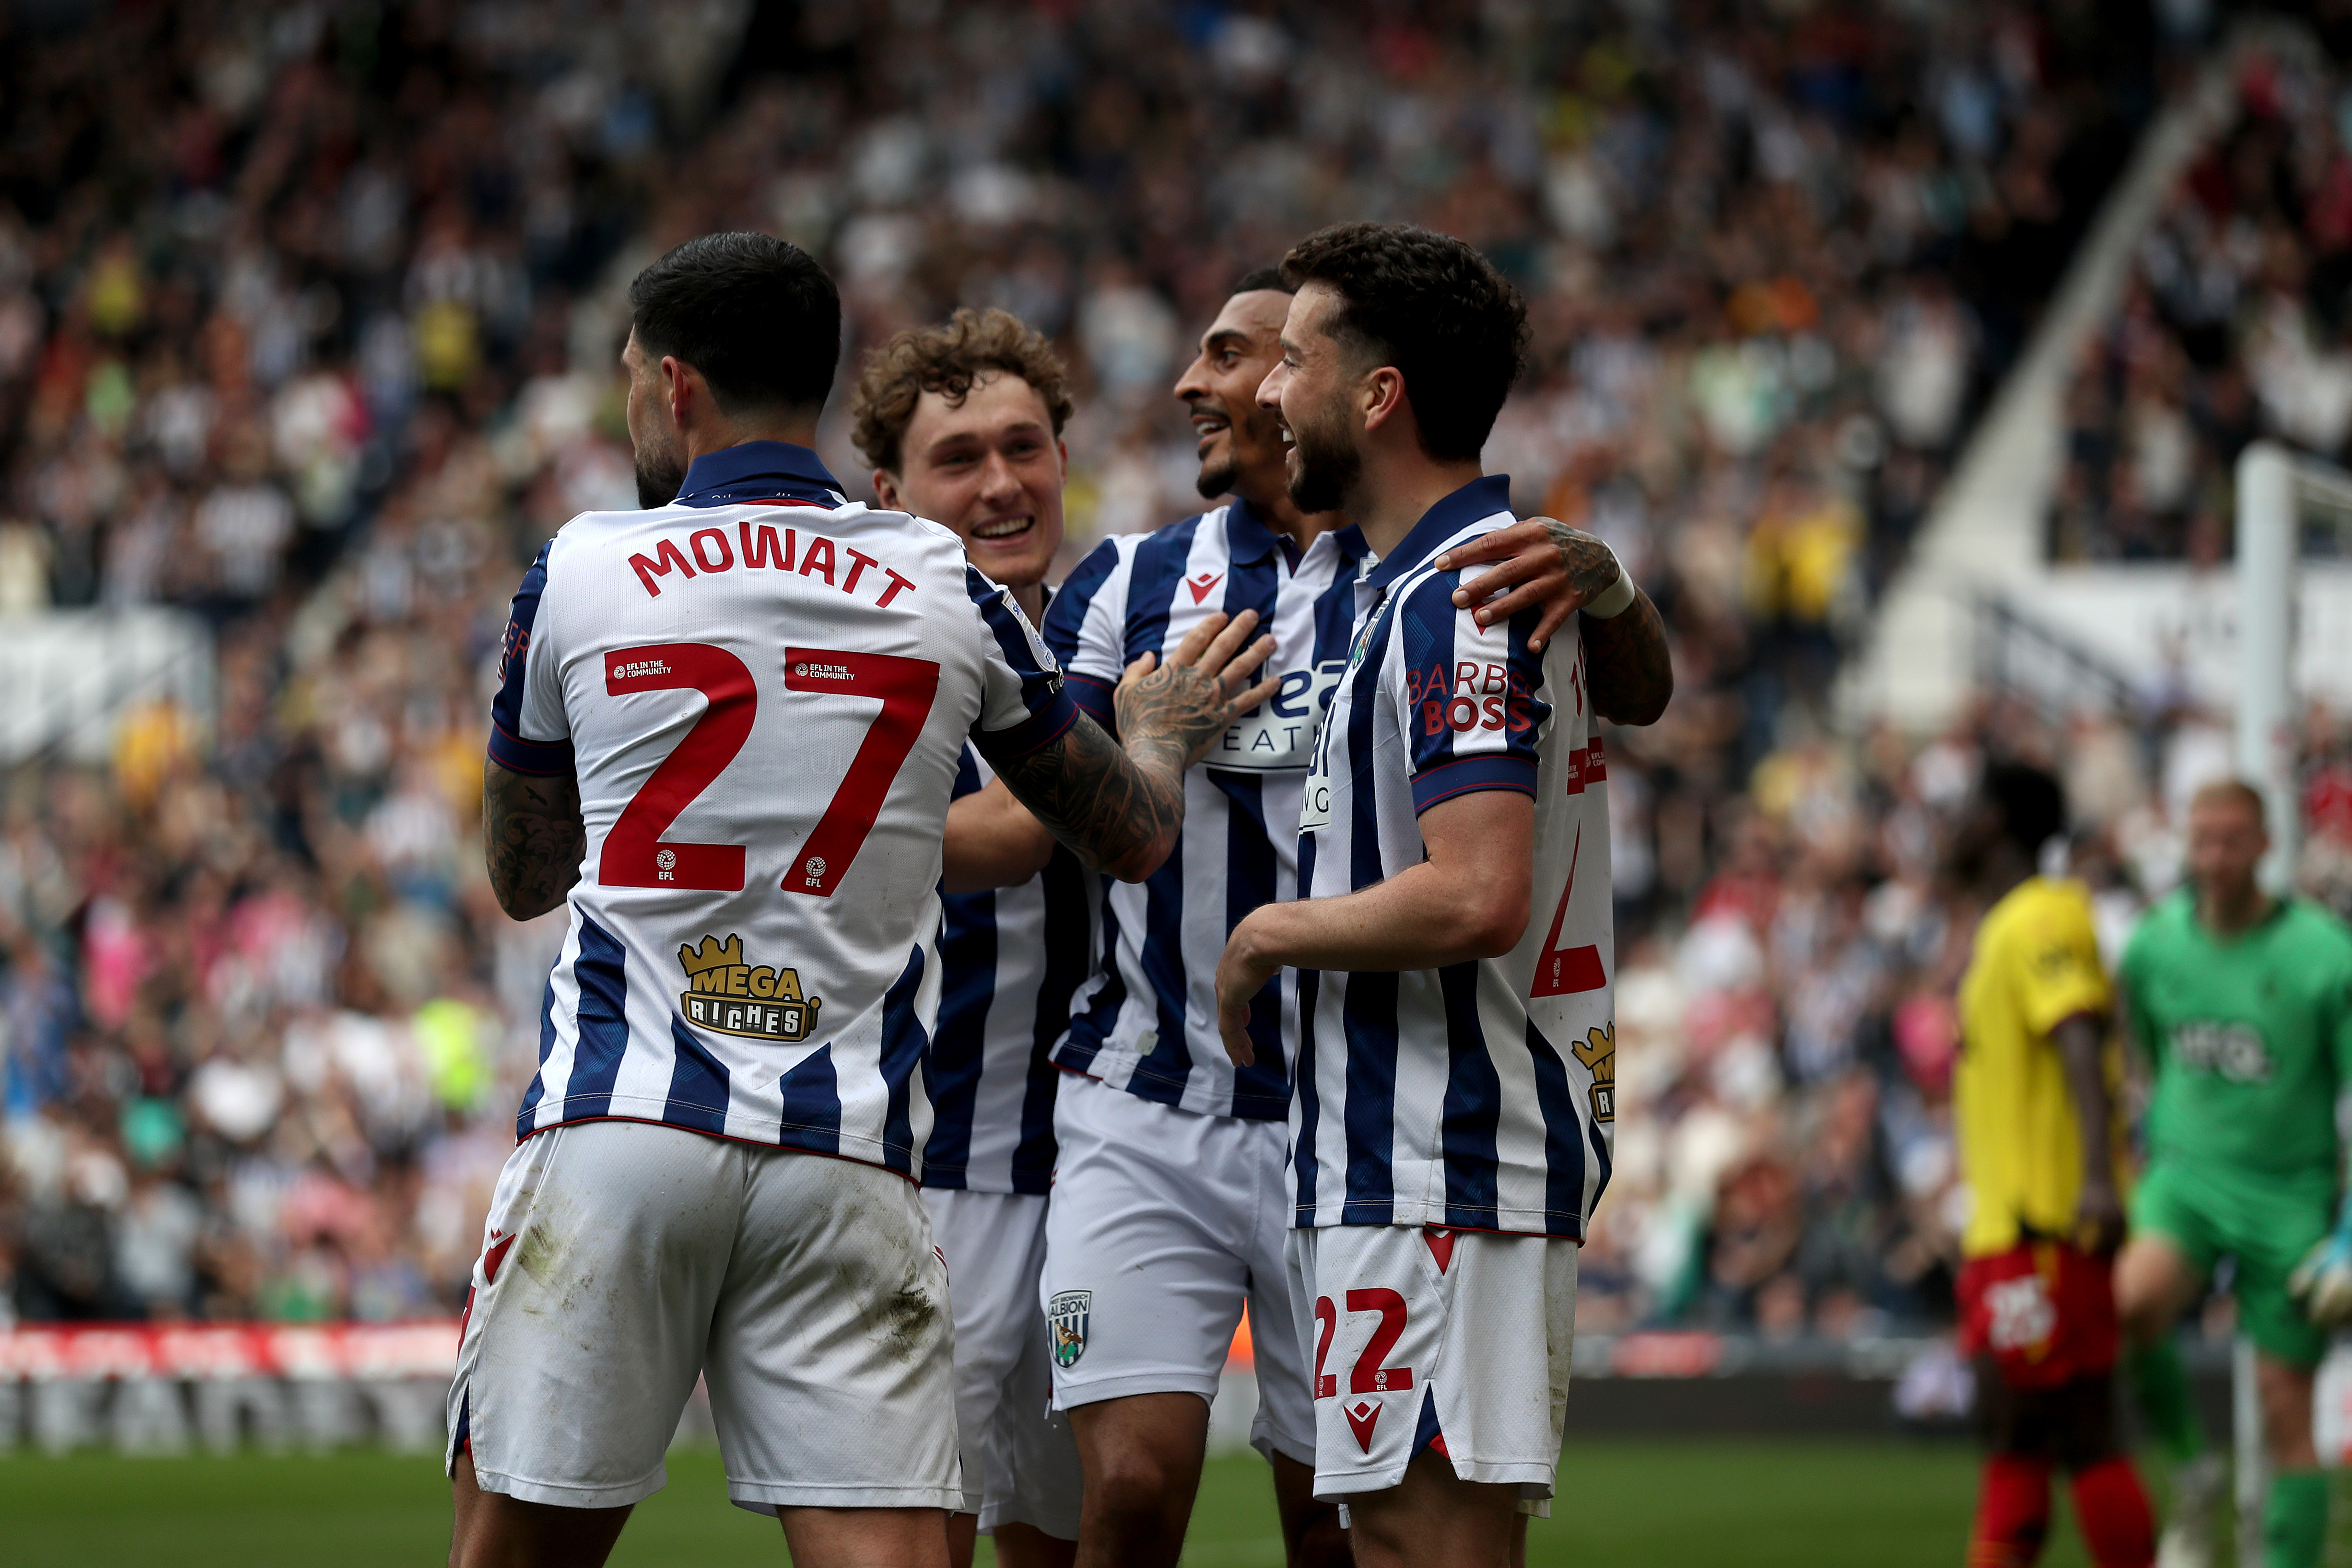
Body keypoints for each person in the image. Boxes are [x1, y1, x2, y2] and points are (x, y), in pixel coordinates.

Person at [453, 232, 1278, 1568]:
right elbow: (1126, 835)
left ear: (674, 387)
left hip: (624, 1125)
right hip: (848, 1150)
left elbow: (522, 874)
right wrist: (1159, 736)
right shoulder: (937, 580)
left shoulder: (580, 564)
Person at [924, 263, 1625, 1568]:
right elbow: (1035, 827)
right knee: (1128, 1487)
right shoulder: (1131, 582)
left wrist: (1610, 585)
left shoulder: (1422, 578)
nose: (1196, 380)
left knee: (1340, 1520)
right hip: (1143, 1104)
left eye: (1244, 353)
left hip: (1342, 1118)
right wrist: (1142, 749)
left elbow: (1614, 689)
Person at [1212, 220, 1670, 1568]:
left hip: (1444, 1160)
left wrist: (1265, 935)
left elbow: (1477, 895)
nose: (1265, 394)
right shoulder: (1442, 578)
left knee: (1424, 1545)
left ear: (1377, 393)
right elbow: (1639, 688)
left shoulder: (1459, 594)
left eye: (1293, 359)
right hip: (1411, 1159)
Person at [847, 307, 1090, 1568]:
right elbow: (1015, 831)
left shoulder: (1115, 623)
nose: (1001, 482)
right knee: (918, 1534)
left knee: (1069, 1533)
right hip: (925, 1172)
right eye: (959, 458)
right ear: (888, 491)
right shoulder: (862, 654)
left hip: (1101, 1170)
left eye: (1025, 445)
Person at [2115, 778, 2352, 1568]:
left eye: (2229, 839)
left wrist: (2348, 1230)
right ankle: (2194, 1468)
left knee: (2286, 1408)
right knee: (2130, 1302)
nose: (2212, 856)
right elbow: (2147, 1056)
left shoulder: (2323, 955)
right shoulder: (2154, 945)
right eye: (2201, 838)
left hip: (2289, 1196)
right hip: (2186, 1179)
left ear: (2263, 845)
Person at [1947, 762, 2154, 1568]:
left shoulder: (2038, 919)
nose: (1951, 825)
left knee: (2078, 1428)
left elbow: (2077, 1035)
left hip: (2047, 1224)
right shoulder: (2008, 923)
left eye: (1965, 806)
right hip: (2013, 1226)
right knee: (2016, 1431)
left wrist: (2098, 1181)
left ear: (1995, 821)